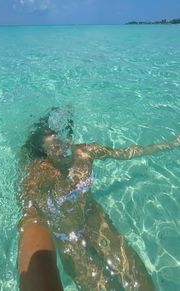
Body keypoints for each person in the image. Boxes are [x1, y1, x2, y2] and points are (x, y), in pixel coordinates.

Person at [18, 106, 180, 290]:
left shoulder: (85, 152)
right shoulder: (39, 173)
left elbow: (127, 153)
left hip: (94, 217)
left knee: (135, 275)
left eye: (63, 138)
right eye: (53, 144)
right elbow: (28, 207)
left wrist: (171, 144)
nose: (61, 146)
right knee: (99, 286)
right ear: (42, 148)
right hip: (67, 236)